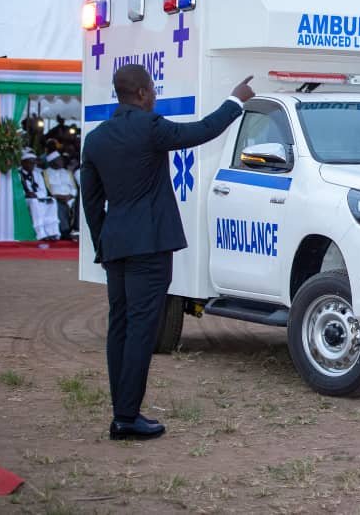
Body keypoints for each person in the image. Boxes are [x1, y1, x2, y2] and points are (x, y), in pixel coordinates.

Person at [81, 66, 253, 441]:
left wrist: (103, 242)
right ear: (143, 93)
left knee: (120, 326)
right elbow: (203, 131)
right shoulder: (150, 127)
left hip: (116, 245)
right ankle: (126, 417)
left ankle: (121, 410)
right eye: (152, 92)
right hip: (150, 245)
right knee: (142, 329)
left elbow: (91, 202)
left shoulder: (95, 140)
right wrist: (235, 101)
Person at [20, 149, 59, 240]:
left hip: (37, 197)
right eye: (30, 163)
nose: (32, 166)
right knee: (34, 203)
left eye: (34, 163)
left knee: (52, 201)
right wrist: (27, 194)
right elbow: (18, 191)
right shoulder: (18, 174)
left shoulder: (37, 174)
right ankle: (40, 233)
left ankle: (52, 232)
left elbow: (43, 191)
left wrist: (36, 194)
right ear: (23, 163)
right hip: (25, 199)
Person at [44, 151, 78, 238]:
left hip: (70, 197)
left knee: (79, 204)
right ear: (52, 162)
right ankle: (65, 231)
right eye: (59, 160)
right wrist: (59, 197)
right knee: (59, 205)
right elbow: (47, 190)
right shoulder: (46, 173)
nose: (62, 162)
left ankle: (77, 229)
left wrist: (70, 196)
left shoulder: (67, 172)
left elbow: (74, 188)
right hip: (56, 198)